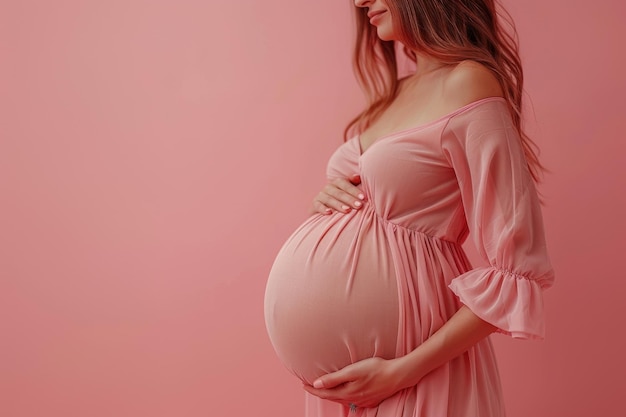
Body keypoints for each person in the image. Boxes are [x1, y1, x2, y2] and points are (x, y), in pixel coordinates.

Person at [264, 0, 555, 416]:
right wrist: (326, 203)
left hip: (413, 367)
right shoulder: (395, 94)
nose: (361, 2)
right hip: (345, 390)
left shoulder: (469, 82)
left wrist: (403, 372)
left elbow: (516, 270)